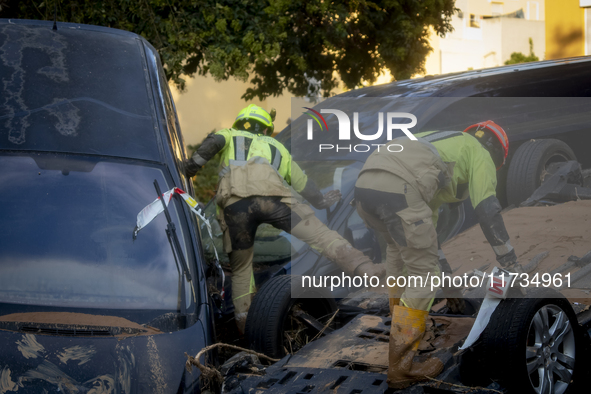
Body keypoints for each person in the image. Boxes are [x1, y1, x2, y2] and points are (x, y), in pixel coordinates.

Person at [184, 104, 384, 333]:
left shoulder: (229, 135)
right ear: (267, 129)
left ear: (240, 122)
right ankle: (367, 269)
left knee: (241, 269)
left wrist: (190, 168)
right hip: (276, 202)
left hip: (236, 207)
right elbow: (301, 182)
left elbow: (212, 144)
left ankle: (245, 326)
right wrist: (320, 201)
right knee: (321, 236)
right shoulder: (276, 146)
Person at [354, 121, 518, 388]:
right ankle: (400, 367)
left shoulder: (440, 145)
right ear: (497, 152)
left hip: (365, 187)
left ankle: (399, 326)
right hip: (399, 189)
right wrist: (510, 261)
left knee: (399, 256)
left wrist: (450, 283)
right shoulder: (479, 152)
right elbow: (487, 209)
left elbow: (426, 239)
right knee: (425, 278)